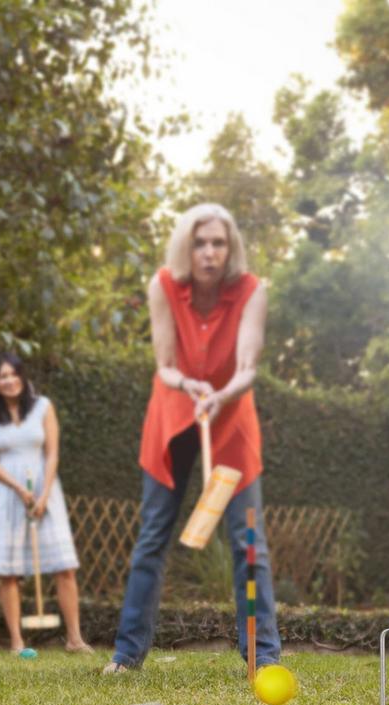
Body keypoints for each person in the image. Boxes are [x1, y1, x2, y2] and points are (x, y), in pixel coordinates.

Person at [103, 203, 282, 674]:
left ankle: (262, 657)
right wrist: (189, 385)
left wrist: (221, 394)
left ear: (231, 247)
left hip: (231, 422)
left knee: (249, 544)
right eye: (199, 242)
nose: (209, 252)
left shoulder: (251, 291)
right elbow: (165, 365)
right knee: (153, 537)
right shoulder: (162, 286)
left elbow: (247, 368)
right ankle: (126, 655)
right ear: (186, 246)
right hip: (173, 418)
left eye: (218, 242)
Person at [0, 353, 91, 654]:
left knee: (64, 565)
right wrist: (18, 489)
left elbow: (52, 453)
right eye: (2, 376)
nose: (9, 380)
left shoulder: (43, 407)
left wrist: (42, 495)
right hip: (6, 493)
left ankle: (75, 639)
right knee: (9, 571)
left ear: (22, 377)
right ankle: (17, 641)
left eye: (14, 374)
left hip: (44, 488)